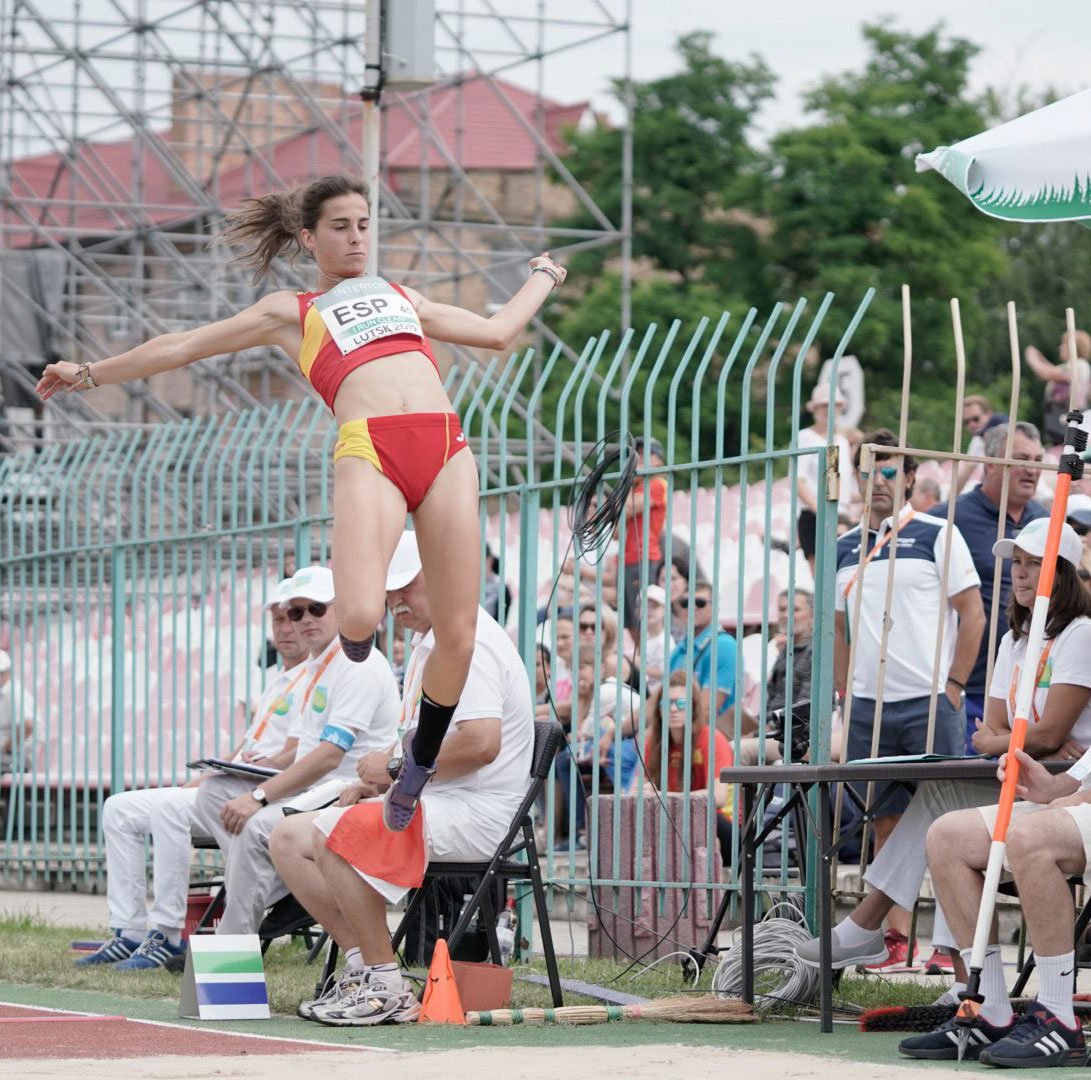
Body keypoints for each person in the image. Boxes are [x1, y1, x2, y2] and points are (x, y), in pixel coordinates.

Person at [34, 174, 566, 833]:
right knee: (360, 616)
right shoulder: (293, 311)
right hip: (370, 446)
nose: (357, 238)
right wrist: (89, 374)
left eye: (364, 224)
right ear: (309, 239)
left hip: (446, 446)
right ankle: (362, 660)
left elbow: (498, 331)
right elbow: (185, 345)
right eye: (341, 227)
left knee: (457, 632)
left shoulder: (405, 297)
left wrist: (544, 275)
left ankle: (415, 769)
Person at [799, 521, 1091, 988]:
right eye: (1016, 562)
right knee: (942, 803)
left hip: (1064, 789)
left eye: (1034, 563)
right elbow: (990, 734)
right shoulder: (1014, 639)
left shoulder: (1080, 633)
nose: (1019, 573)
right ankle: (949, 977)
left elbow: (1044, 732)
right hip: (1022, 777)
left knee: (942, 801)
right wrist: (1020, 739)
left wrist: (1017, 739)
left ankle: (879, 932)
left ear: (1062, 574)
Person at [268, 529, 534, 1026]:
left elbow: (480, 743)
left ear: (441, 576)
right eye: (387, 591)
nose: (393, 601)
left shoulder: (467, 642)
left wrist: (394, 770)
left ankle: (387, 984)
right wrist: (382, 779)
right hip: (441, 800)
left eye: (404, 586)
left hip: (478, 812)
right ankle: (361, 968)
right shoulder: (433, 639)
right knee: (287, 838)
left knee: (335, 833)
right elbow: (424, 737)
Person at [77, 579, 308, 969]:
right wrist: (213, 770)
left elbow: (300, 755)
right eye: (278, 620)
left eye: (294, 617)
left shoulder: (313, 679)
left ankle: (167, 934)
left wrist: (239, 772)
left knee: (168, 807)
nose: (286, 628)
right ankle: (128, 930)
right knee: (118, 808)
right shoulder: (276, 679)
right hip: (233, 784)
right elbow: (248, 745)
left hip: (263, 793)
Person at [836, 428, 985, 968]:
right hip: (868, 706)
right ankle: (896, 939)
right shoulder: (844, 546)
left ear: (909, 478)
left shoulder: (935, 532)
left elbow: (973, 613)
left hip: (928, 699)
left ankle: (954, 947)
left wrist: (953, 687)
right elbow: (838, 630)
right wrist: (844, 696)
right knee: (886, 821)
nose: (878, 481)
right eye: (869, 471)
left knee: (950, 823)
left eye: (889, 471)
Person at [193, 565, 400, 933]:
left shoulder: (358, 663)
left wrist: (259, 795)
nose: (304, 620)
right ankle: (285, 886)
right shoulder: (318, 662)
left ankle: (233, 941)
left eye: (316, 609)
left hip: (344, 793)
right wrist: (258, 770)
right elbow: (304, 748)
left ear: (340, 609)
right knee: (213, 792)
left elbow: (330, 756)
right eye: (295, 612)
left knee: (255, 827)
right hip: (314, 790)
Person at [931, 422, 1047, 752]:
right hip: (969, 685)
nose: (1032, 469)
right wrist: (952, 686)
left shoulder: (1045, 519)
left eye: (1038, 460)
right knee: (965, 776)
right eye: (1021, 459)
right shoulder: (947, 519)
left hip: (1033, 685)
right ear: (990, 463)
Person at [640, 670, 734, 864]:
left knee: (694, 819)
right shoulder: (653, 743)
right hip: (676, 819)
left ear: (693, 707)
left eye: (681, 704)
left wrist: (664, 796)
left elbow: (718, 797)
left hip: (721, 824)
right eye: (667, 703)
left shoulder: (711, 738)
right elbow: (643, 788)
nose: (673, 709)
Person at [736, 589, 815, 766]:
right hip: (773, 731)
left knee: (736, 750)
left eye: (794, 609)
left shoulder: (815, 652)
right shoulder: (786, 650)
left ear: (812, 615)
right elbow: (770, 701)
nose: (786, 615)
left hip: (796, 738)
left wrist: (760, 733)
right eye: (782, 609)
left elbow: (804, 711)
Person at [796, 382, 854, 575]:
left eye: (835, 405)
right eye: (824, 405)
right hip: (816, 514)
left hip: (841, 514)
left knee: (843, 577)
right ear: (814, 409)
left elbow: (838, 481)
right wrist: (821, 510)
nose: (829, 410)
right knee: (823, 578)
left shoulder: (842, 441)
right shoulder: (805, 437)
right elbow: (798, 481)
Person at [669, 579, 739, 735]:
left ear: (715, 607)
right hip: (676, 732)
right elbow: (657, 701)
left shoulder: (724, 646)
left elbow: (705, 710)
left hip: (709, 737)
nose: (692, 607)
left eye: (700, 603)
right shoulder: (679, 649)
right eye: (685, 603)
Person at [622, 437, 668, 631]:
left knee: (643, 619)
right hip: (630, 558)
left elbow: (628, 509)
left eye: (643, 453)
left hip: (645, 557)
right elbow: (616, 529)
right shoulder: (638, 488)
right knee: (632, 621)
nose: (638, 458)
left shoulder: (657, 483)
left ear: (658, 459)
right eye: (636, 454)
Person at [1025, 330, 1091, 446]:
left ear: (1073, 347)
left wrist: (1032, 357)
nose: (1060, 347)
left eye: (1064, 344)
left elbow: (1046, 373)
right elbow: (1053, 370)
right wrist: (1041, 358)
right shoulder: (1077, 365)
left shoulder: (1078, 365)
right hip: (1062, 418)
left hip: (1066, 419)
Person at [953, 395, 1008, 496]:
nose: (971, 425)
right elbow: (966, 472)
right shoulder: (977, 440)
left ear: (989, 414)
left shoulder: (1009, 435)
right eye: (967, 422)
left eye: (976, 419)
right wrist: (949, 500)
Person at [0, 649, 34, 776]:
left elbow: (27, 725)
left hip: (16, 758)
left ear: (7, 673)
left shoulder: (15, 693)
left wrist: (6, 747)